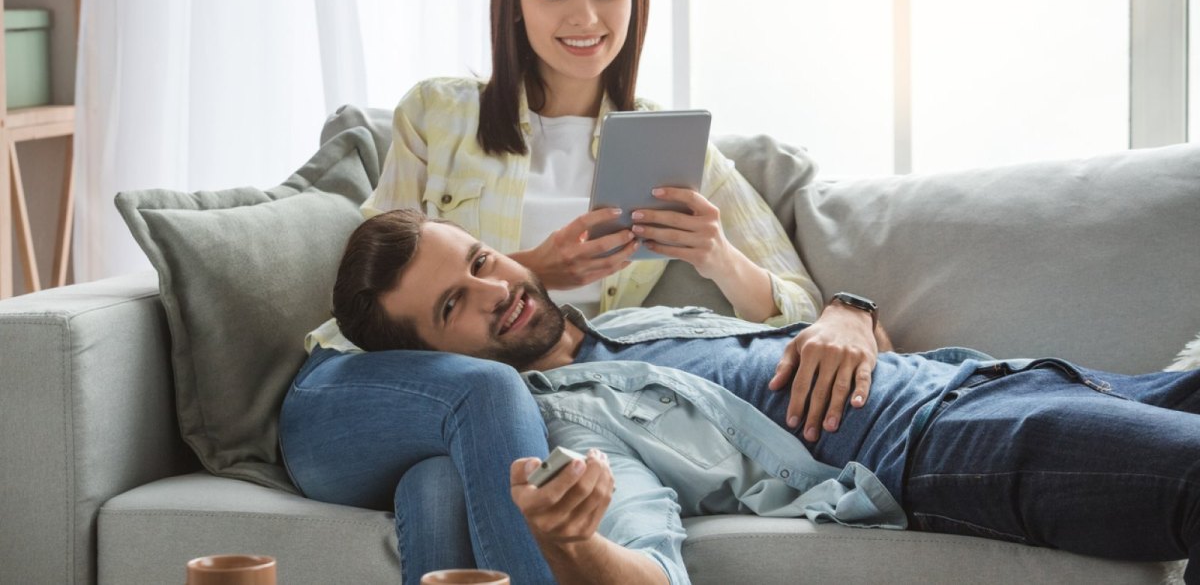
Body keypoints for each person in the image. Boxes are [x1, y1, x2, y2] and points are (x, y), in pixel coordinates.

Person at [296, 0, 878, 578]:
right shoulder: (438, 114)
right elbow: (369, 279)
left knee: (437, 483)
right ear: (512, 4)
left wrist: (717, 255)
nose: (585, 17)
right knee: (488, 389)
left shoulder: (670, 148)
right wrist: (538, 266)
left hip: (531, 413)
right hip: (380, 374)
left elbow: (799, 304)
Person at [282, 209, 1200, 585]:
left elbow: (845, 342)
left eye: (480, 260)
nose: (495, 290)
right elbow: (649, 569)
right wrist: (570, 542)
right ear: (434, 359)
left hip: (1006, 375)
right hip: (940, 445)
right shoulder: (566, 422)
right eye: (455, 306)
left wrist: (850, 311)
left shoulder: (632, 322)